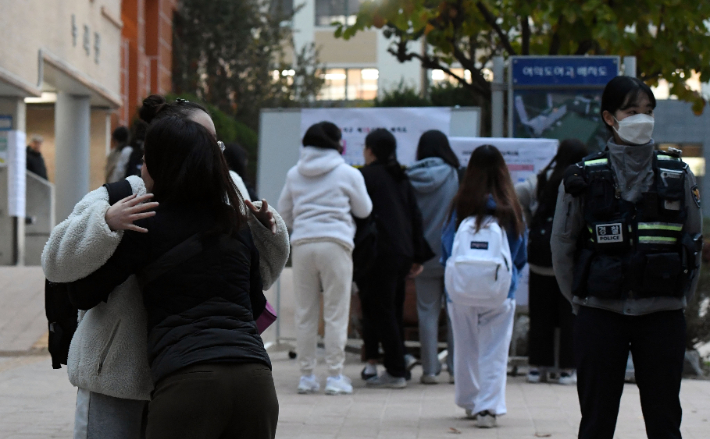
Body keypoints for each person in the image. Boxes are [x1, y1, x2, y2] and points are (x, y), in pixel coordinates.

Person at [42, 96, 290, 439]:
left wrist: (267, 228)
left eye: (214, 142)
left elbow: (262, 276)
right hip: (226, 373)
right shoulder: (126, 199)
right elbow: (57, 263)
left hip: (184, 375)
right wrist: (106, 221)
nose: (211, 150)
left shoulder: (227, 199)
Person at [550, 76, 702, 439]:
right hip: (600, 314)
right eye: (632, 111)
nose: (642, 120)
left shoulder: (677, 173)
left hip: (662, 316)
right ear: (609, 117)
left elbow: (692, 243)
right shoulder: (582, 177)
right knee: (597, 423)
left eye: (648, 111)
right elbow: (563, 246)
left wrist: (679, 299)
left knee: (665, 422)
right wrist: (580, 300)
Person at [278, 121, 372, 395]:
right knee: (335, 311)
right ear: (337, 144)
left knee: (305, 313)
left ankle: (306, 376)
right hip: (336, 244)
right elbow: (364, 210)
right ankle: (335, 376)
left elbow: (283, 213)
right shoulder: (347, 173)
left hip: (304, 245)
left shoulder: (295, 174)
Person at [441, 144, 527, 428]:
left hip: (461, 291)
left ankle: (469, 401)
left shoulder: (460, 205)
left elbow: (445, 248)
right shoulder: (509, 207)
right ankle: (487, 409)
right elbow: (519, 254)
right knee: (494, 350)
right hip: (499, 292)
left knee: (465, 347)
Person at [358, 128, 434, 389]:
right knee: (392, 309)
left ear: (370, 150)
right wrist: (417, 255)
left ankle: (396, 370)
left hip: (379, 253)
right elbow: (415, 216)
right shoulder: (400, 176)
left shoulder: (366, 176)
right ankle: (398, 360)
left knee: (381, 310)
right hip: (401, 253)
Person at [515, 139, 587, 384]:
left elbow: (517, 196)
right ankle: (567, 369)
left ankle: (537, 367)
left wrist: (530, 219)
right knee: (570, 316)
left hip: (540, 260)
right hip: (571, 260)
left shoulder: (540, 180)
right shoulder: (583, 181)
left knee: (540, 315)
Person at [405, 130, 459, 384]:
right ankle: (455, 369)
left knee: (426, 312)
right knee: (454, 313)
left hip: (421, 256)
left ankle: (429, 370)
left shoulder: (409, 177)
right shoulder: (454, 174)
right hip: (451, 254)